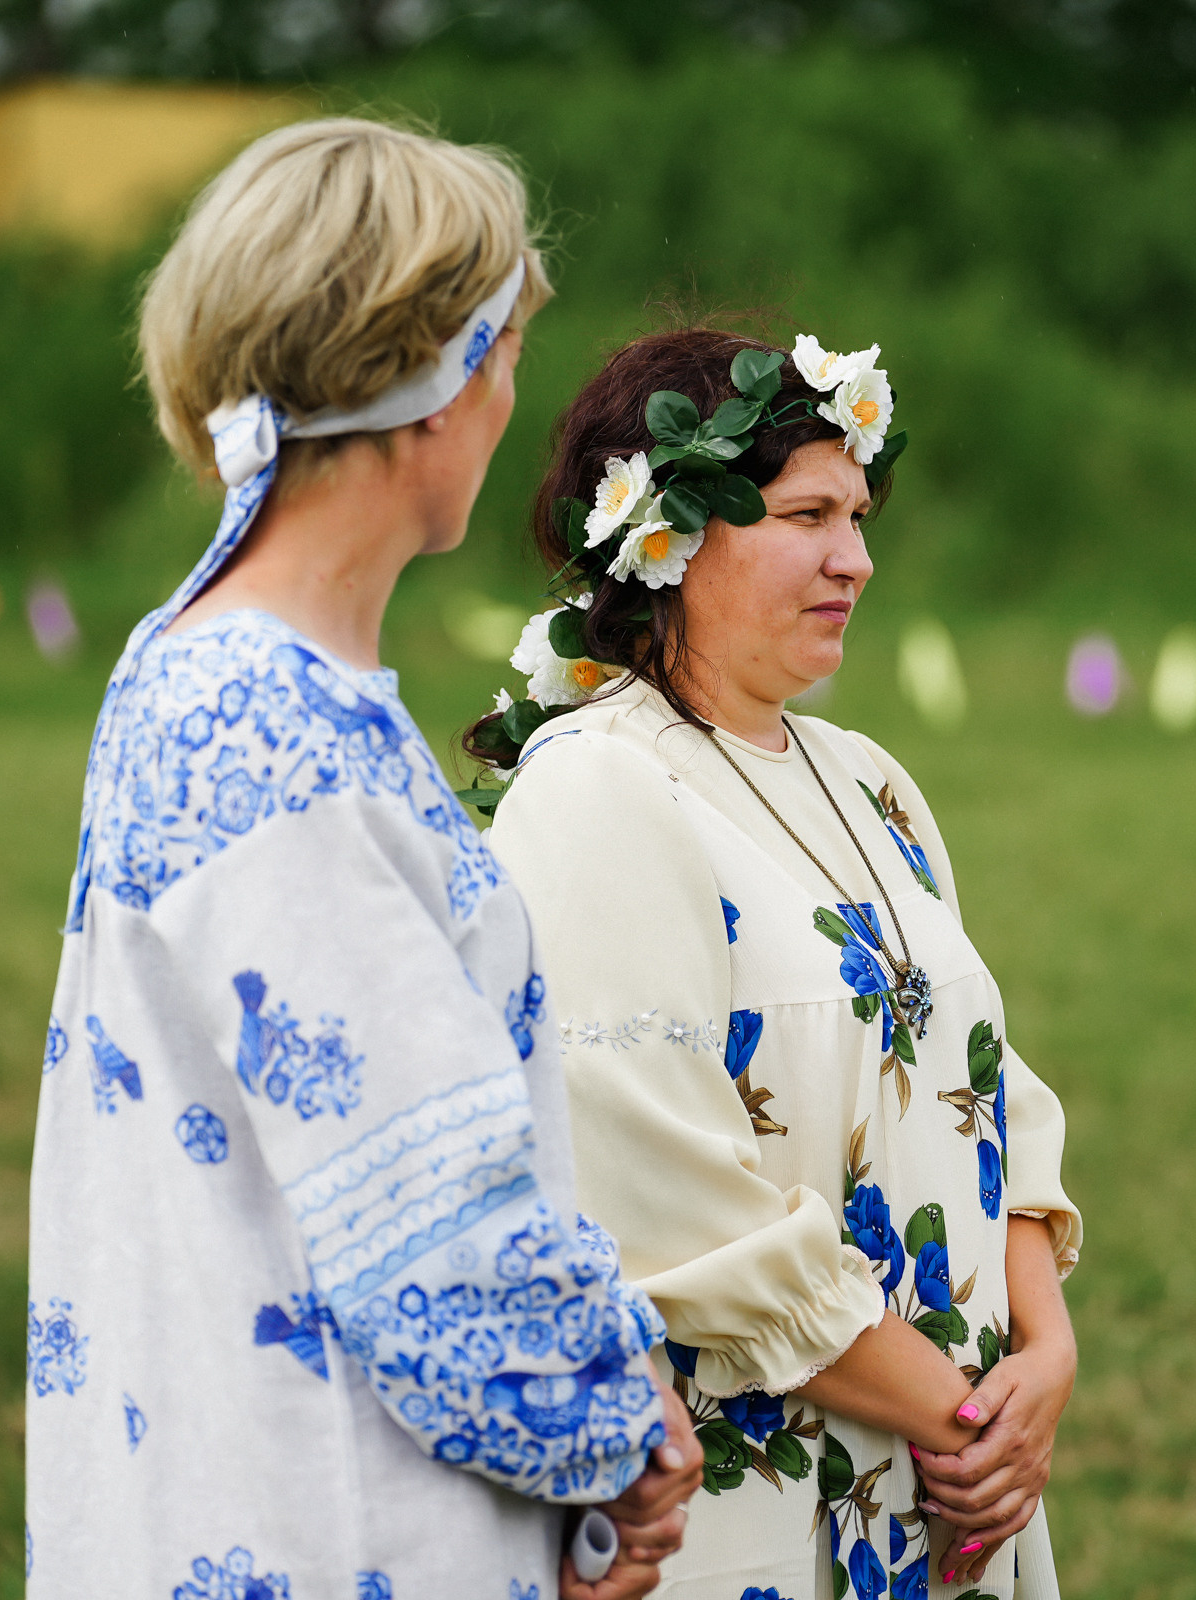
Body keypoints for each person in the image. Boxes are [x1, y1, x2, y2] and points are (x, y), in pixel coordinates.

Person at [27, 118, 701, 1600]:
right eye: (503, 351)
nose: (510, 394)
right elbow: (434, 1237)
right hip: (324, 1530)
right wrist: (618, 1434)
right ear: (427, 384)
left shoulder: (196, 669)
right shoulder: (274, 735)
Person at [470, 328, 1081, 1600]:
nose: (854, 557)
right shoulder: (596, 789)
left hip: (952, 1477)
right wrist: (956, 1416)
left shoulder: (871, 781)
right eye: (808, 513)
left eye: (857, 514)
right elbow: (656, 1186)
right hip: (766, 1501)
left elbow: (987, 1085)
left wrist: (1043, 1350)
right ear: (672, 537)